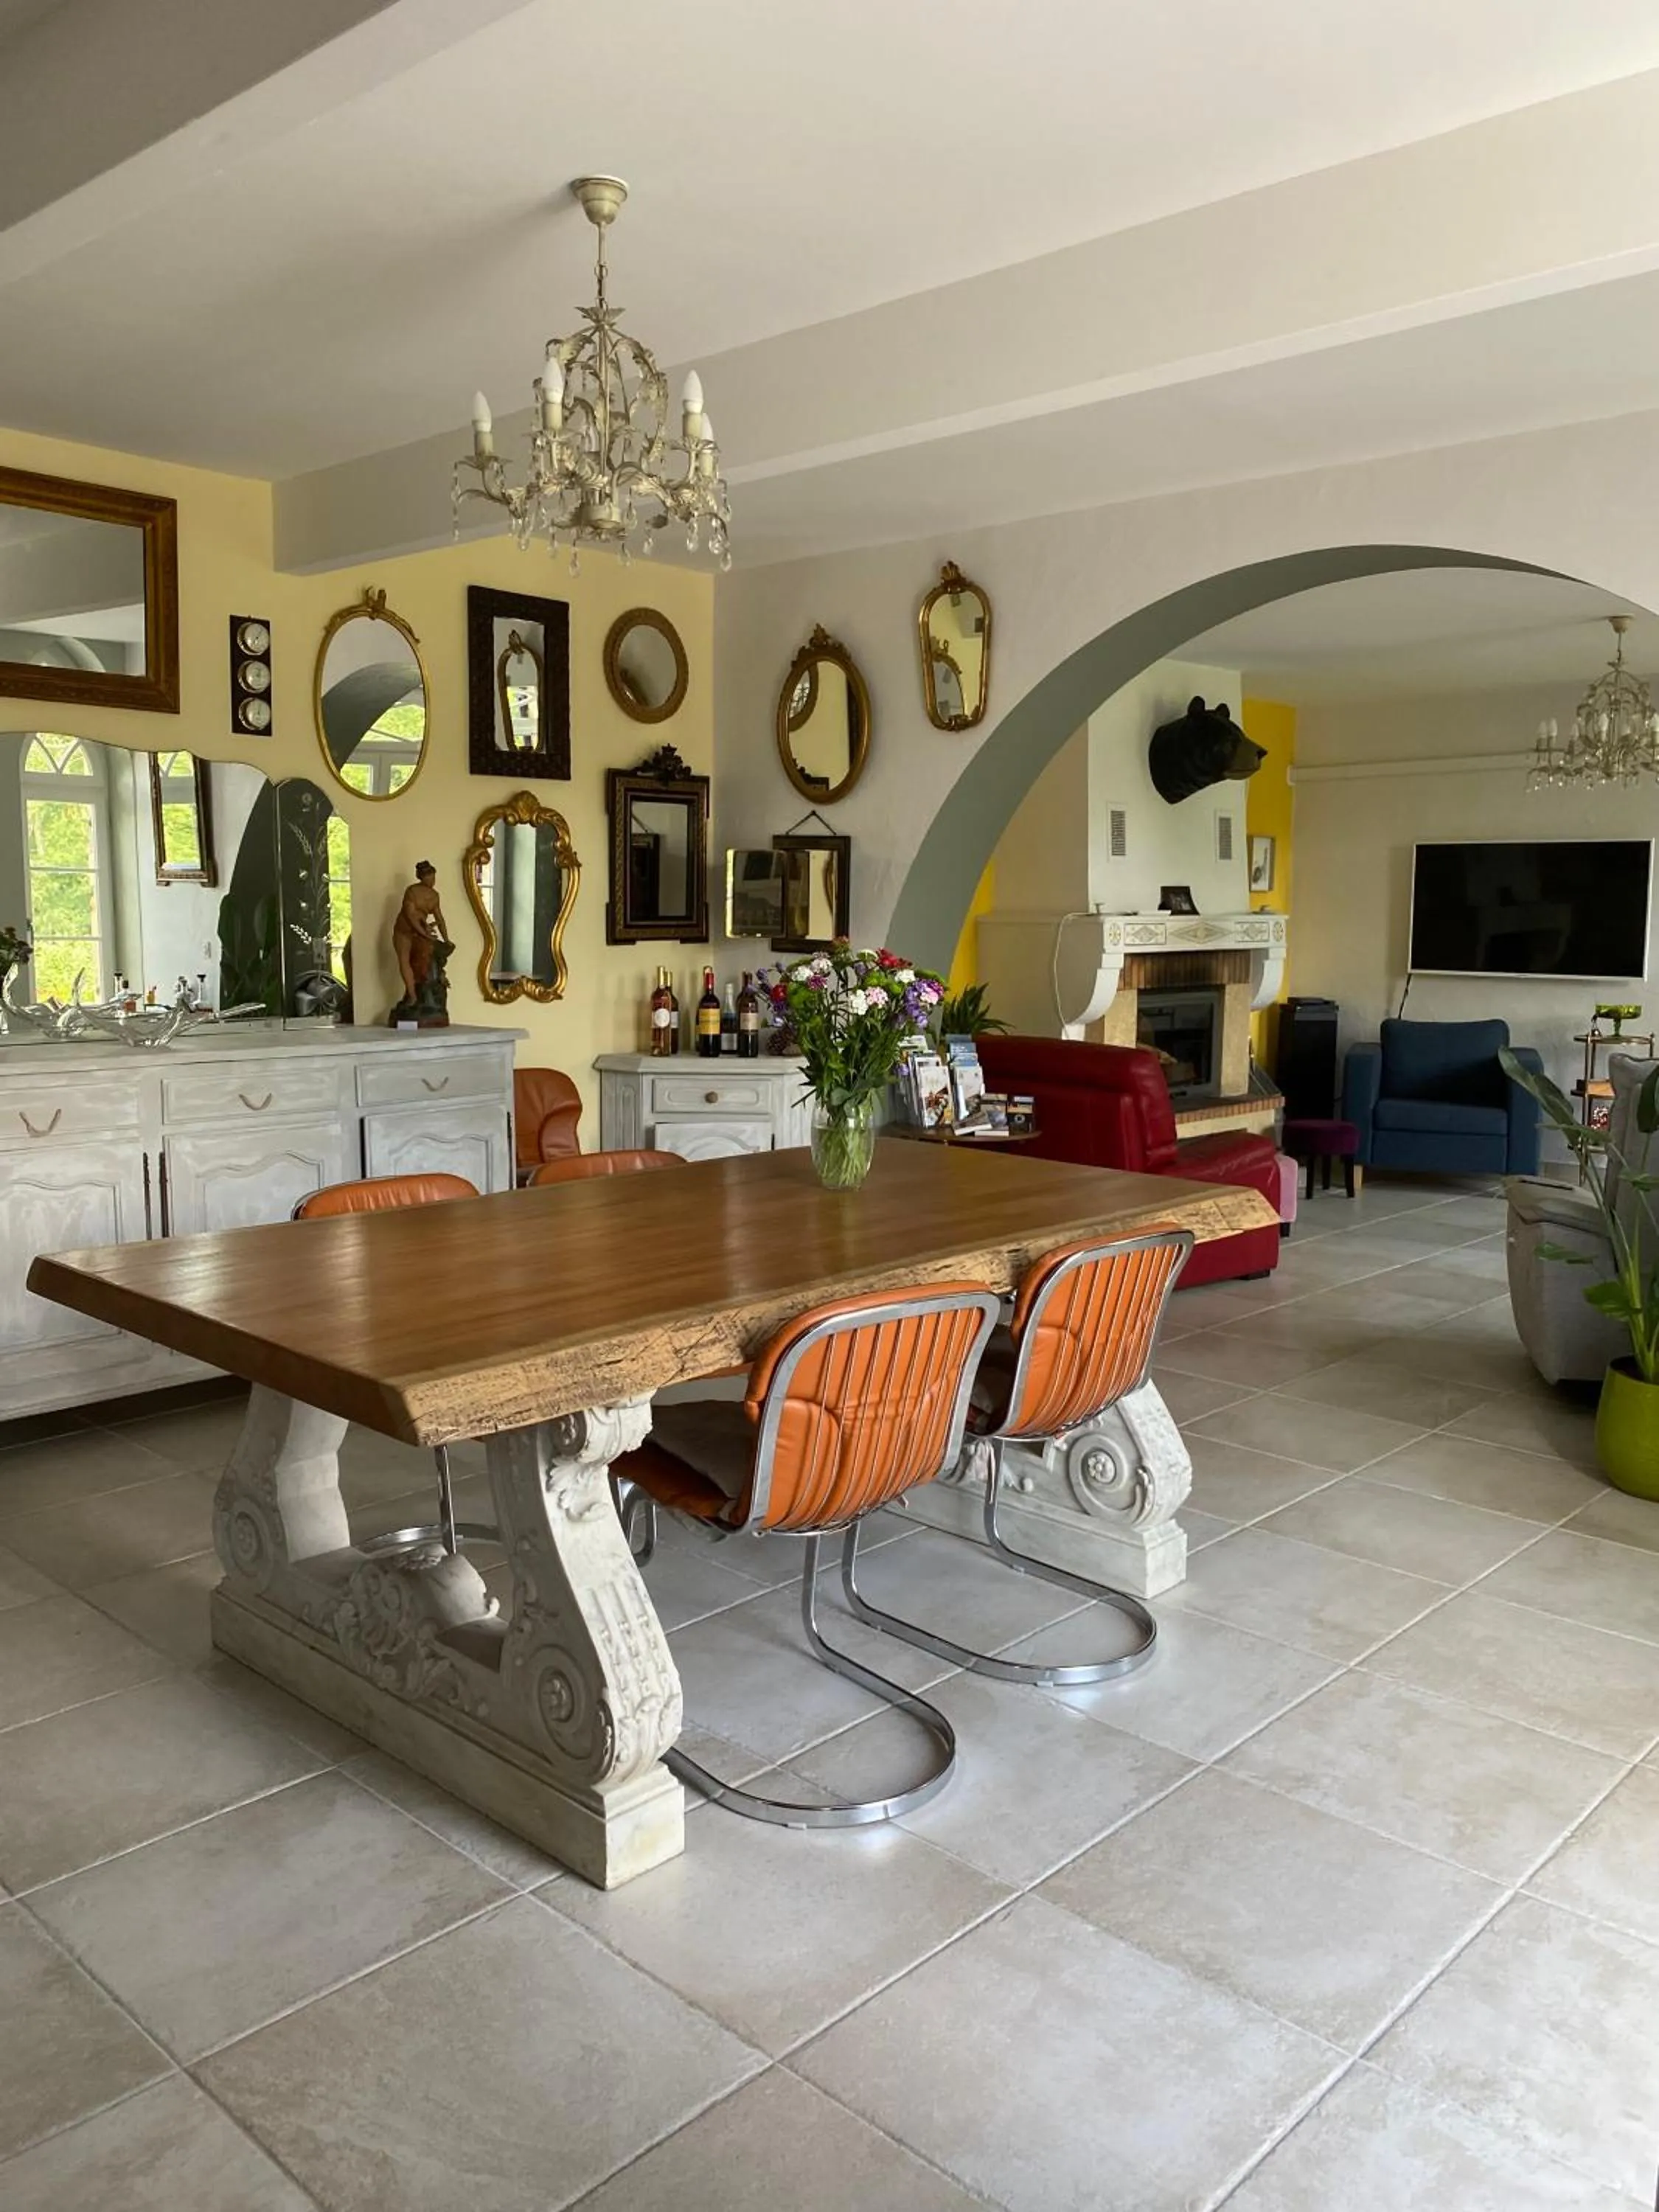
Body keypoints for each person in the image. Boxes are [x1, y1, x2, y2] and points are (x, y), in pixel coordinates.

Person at [392, 860, 451, 1013]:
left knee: (424, 960)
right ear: (422, 878)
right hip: (404, 931)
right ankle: (412, 996)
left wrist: (446, 939)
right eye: (429, 878)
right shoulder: (411, 891)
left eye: (433, 878)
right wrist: (423, 932)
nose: (432, 881)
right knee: (404, 961)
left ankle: (423, 992)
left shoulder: (434, 896)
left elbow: (440, 919)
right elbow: (410, 915)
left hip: (420, 932)